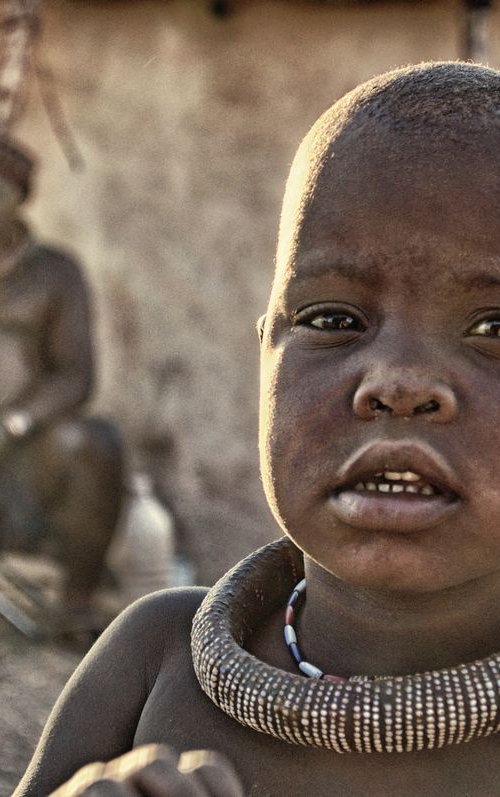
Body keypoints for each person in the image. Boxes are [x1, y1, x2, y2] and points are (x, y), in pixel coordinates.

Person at [15, 60, 500, 796]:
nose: (398, 382)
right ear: (265, 356)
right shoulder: (153, 660)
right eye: (332, 319)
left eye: (494, 327)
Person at [0, 136, 123, 614]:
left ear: (17, 200)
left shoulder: (54, 273)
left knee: (91, 443)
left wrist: (16, 423)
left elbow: (76, 377)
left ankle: (75, 606)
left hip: (25, 457)